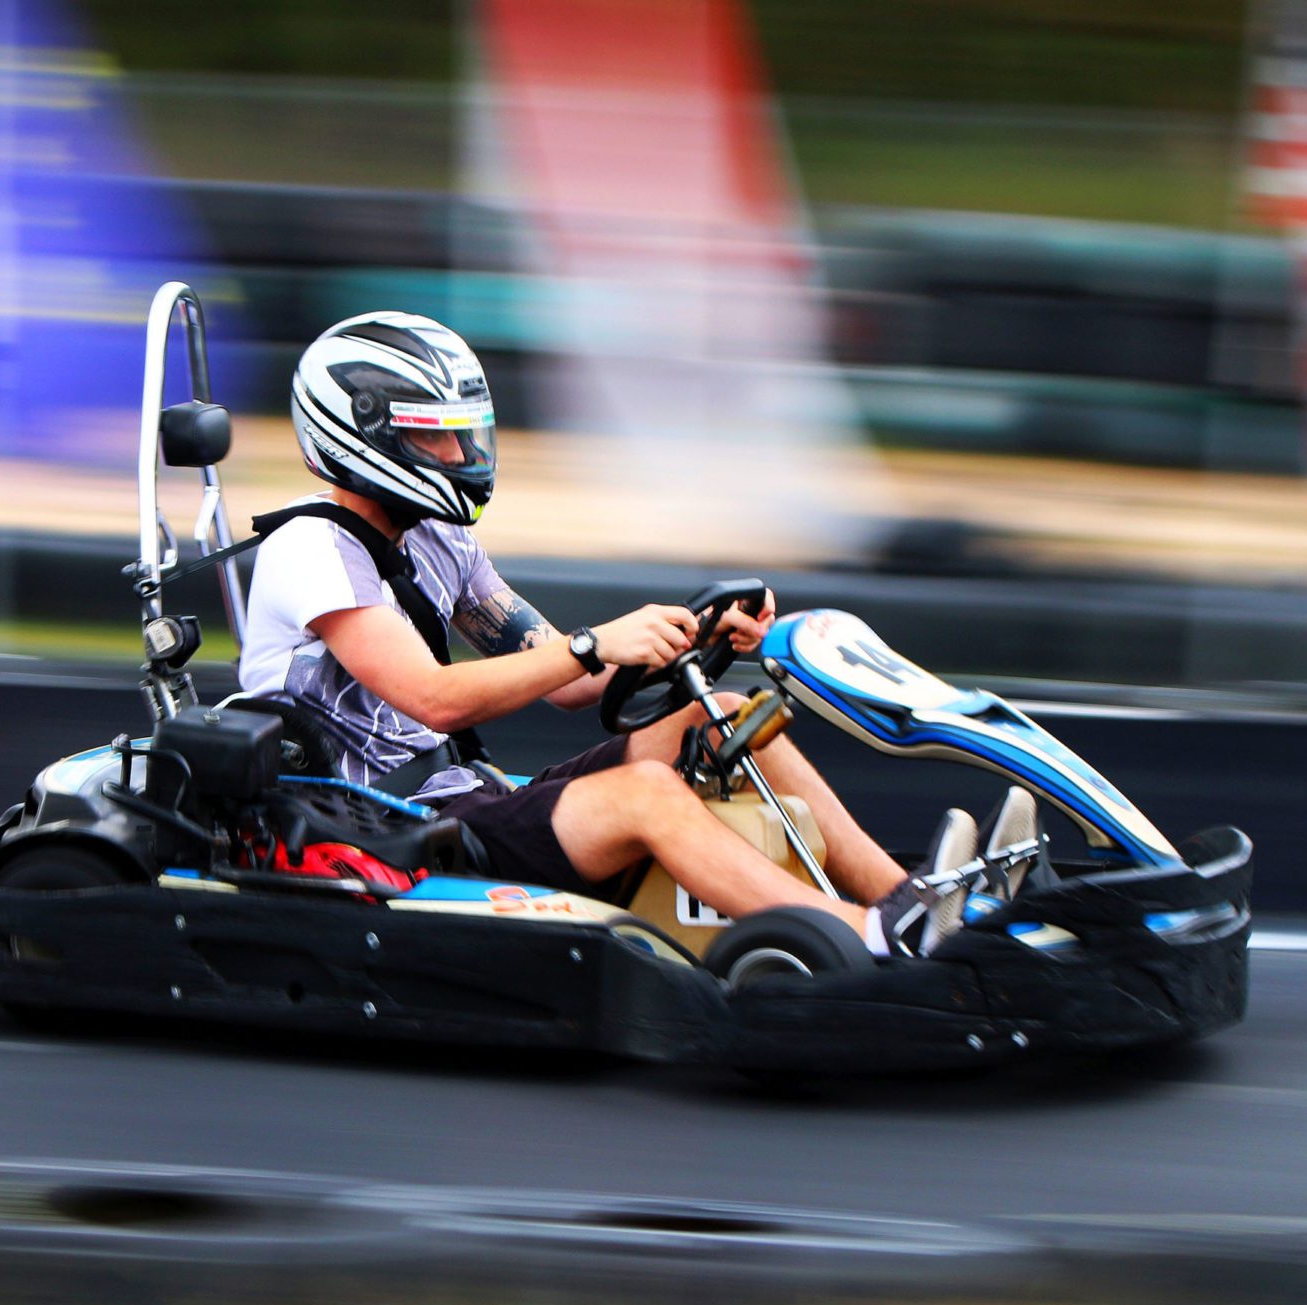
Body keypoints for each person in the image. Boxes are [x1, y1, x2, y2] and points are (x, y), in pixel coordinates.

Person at [239, 311, 953, 954]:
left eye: (461, 434)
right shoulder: (310, 549)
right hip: (375, 829)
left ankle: (907, 898)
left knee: (725, 718)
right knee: (647, 792)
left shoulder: (438, 539)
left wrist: (698, 634)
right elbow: (435, 699)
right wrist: (592, 642)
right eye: (437, 436)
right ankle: (865, 939)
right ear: (366, 437)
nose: (459, 453)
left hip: (461, 801)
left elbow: (576, 682)